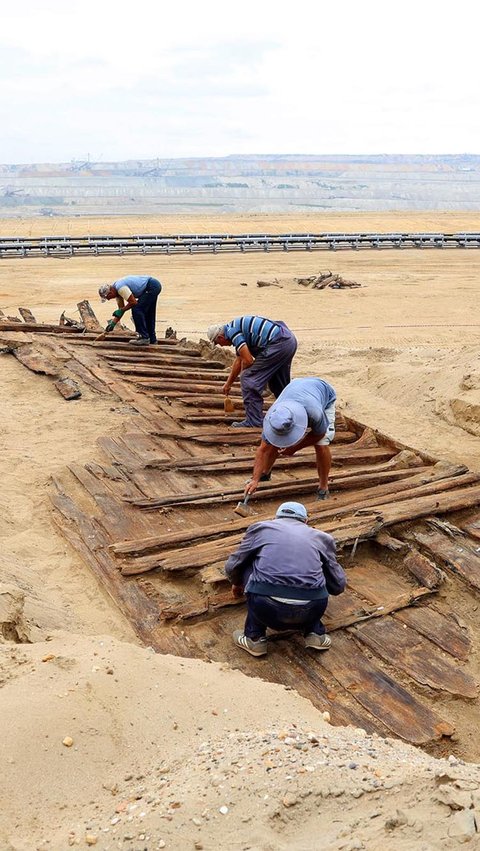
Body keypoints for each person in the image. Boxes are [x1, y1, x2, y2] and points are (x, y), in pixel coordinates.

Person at [224, 501, 346, 657]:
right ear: (306, 521)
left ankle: (254, 637)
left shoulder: (261, 528)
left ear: (276, 518)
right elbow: (338, 585)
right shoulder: (322, 538)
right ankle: (315, 632)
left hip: (265, 608)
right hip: (312, 610)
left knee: (249, 562)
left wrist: (237, 582)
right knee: (319, 569)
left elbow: (232, 566)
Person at [245, 377, 336, 500]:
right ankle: (264, 473)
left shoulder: (314, 413)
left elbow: (319, 434)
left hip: (324, 394)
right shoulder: (274, 415)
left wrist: (294, 448)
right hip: (297, 388)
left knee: (321, 444)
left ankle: (323, 487)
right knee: (274, 440)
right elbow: (263, 450)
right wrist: (254, 479)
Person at [207, 316, 297, 427]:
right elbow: (239, 360)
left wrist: (245, 376)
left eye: (218, 343)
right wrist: (228, 384)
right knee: (279, 385)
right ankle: (295, 415)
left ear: (220, 337)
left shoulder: (232, 332)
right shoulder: (235, 328)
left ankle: (254, 421)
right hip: (288, 341)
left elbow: (248, 361)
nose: (220, 345)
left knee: (249, 379)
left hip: (278, 344)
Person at [98, 275, 162, 346]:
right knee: (149, 313)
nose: (109, 299)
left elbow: (133, 302)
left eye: (108, 297)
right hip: (153, 285)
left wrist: (122, 310)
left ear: (110, 292)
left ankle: (144, 337)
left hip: (151, 286)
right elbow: (121, 309)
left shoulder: (120, 288)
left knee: (137, 309)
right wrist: (113, 324)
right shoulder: (117, 292)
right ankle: (152, 339)